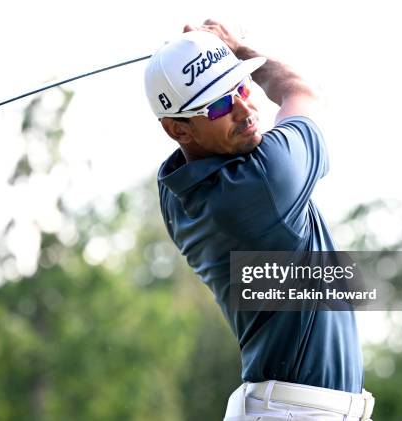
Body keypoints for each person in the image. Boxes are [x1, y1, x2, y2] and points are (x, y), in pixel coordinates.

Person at [144, 19, 375, 421]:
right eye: (218, 104)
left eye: (240, 86)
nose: (245, 108)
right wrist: (239, 50)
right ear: (178, 129)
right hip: (296, 412)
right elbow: (298, 91)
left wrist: (201, 62)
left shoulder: (174, 193)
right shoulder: (268, 181)